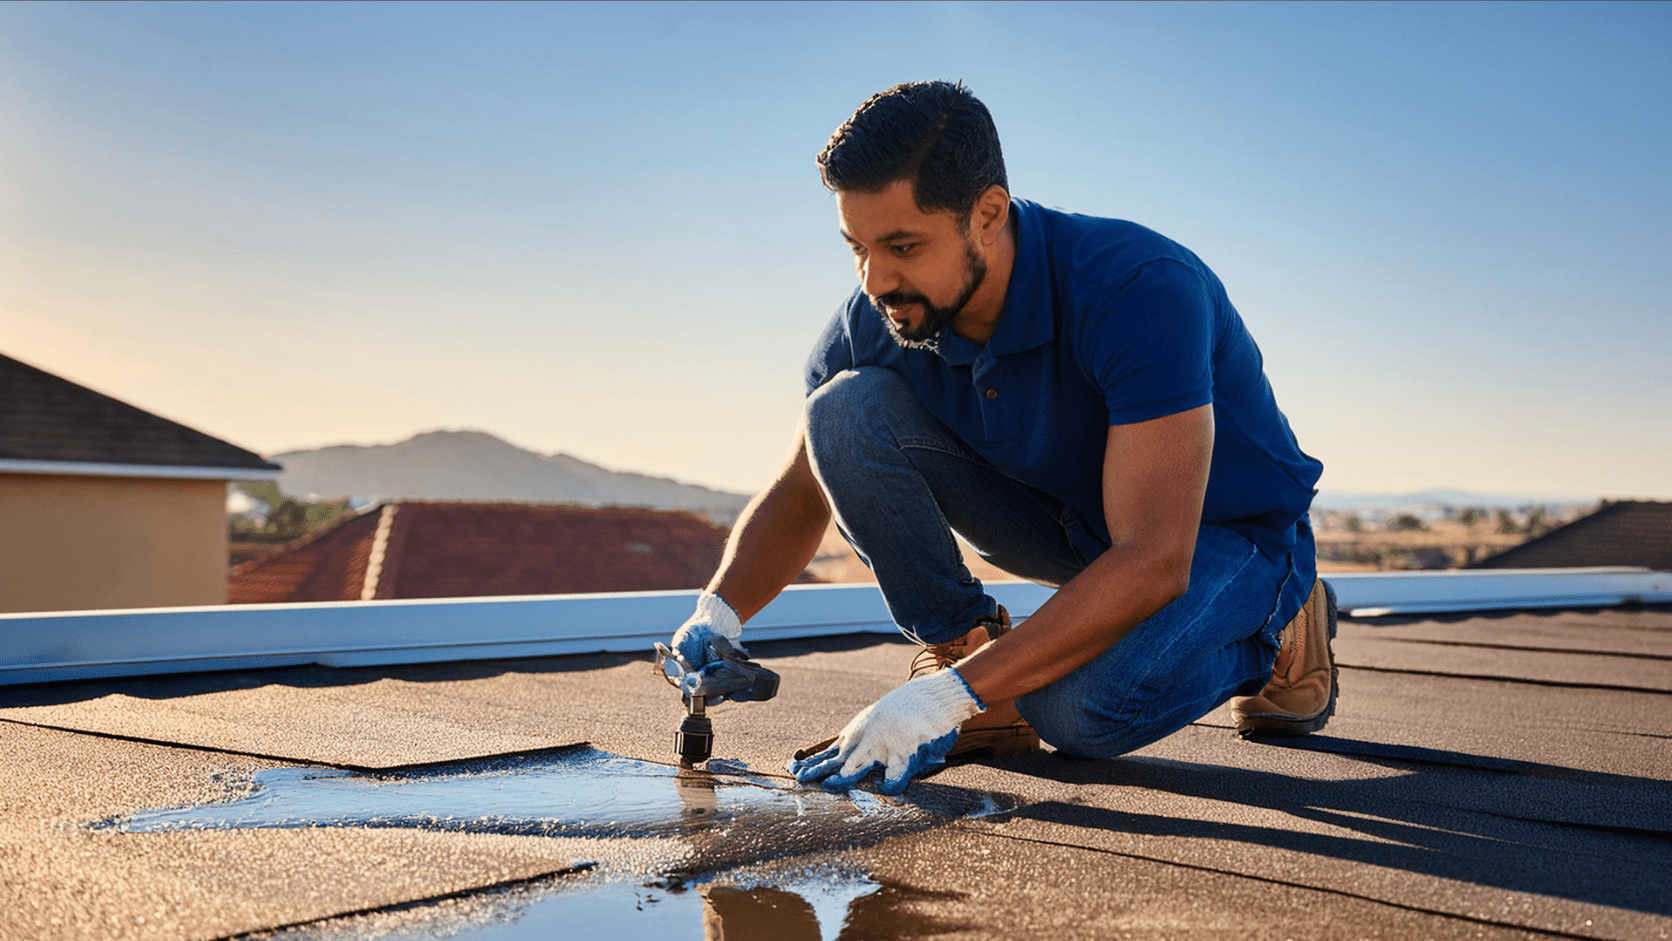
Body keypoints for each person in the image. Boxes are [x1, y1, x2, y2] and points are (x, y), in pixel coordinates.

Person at [668, 80, 1331, 796]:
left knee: (1076, 714)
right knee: (840, 408)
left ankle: (1280, 620)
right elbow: (804, 493)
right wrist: (719, 608)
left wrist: (942, 700)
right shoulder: (880, 318)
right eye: (856, 246)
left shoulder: (1137, 288)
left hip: (1218, 538)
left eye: (902, 245)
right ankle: (969, 652)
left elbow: (1154, 558)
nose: (875, 278)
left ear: (987, 214)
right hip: (1074, 525)